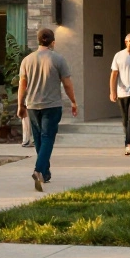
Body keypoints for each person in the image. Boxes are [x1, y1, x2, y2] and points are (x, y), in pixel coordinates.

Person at [17, 28, 78, 191]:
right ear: (53, 42)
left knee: (39, 140)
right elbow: (67, 84)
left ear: (38, 41)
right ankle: (38, 170)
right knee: (48, 139)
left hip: (32, 105)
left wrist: (20, 105)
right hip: (51, 106)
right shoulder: (58, 59)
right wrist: (73, 101)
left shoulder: (27, 60)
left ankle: (45, 172)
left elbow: (22, 85)